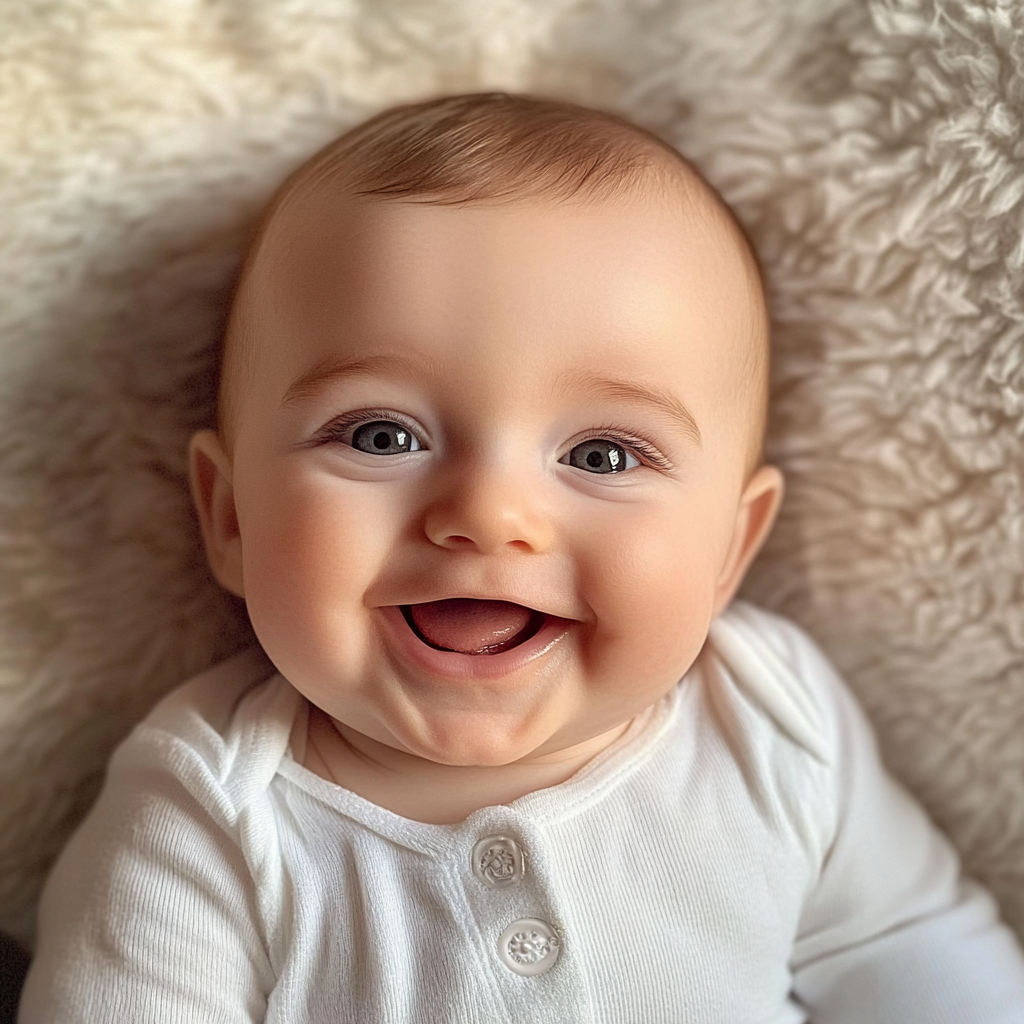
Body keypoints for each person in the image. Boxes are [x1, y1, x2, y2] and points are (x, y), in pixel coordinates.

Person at [18, 93, 1024, 1023]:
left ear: (729, 547)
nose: (487, 515)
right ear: (230, 518)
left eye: (600, 454)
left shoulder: (769, 715)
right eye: (380, 435)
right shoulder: (207, 808)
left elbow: (908, 947)